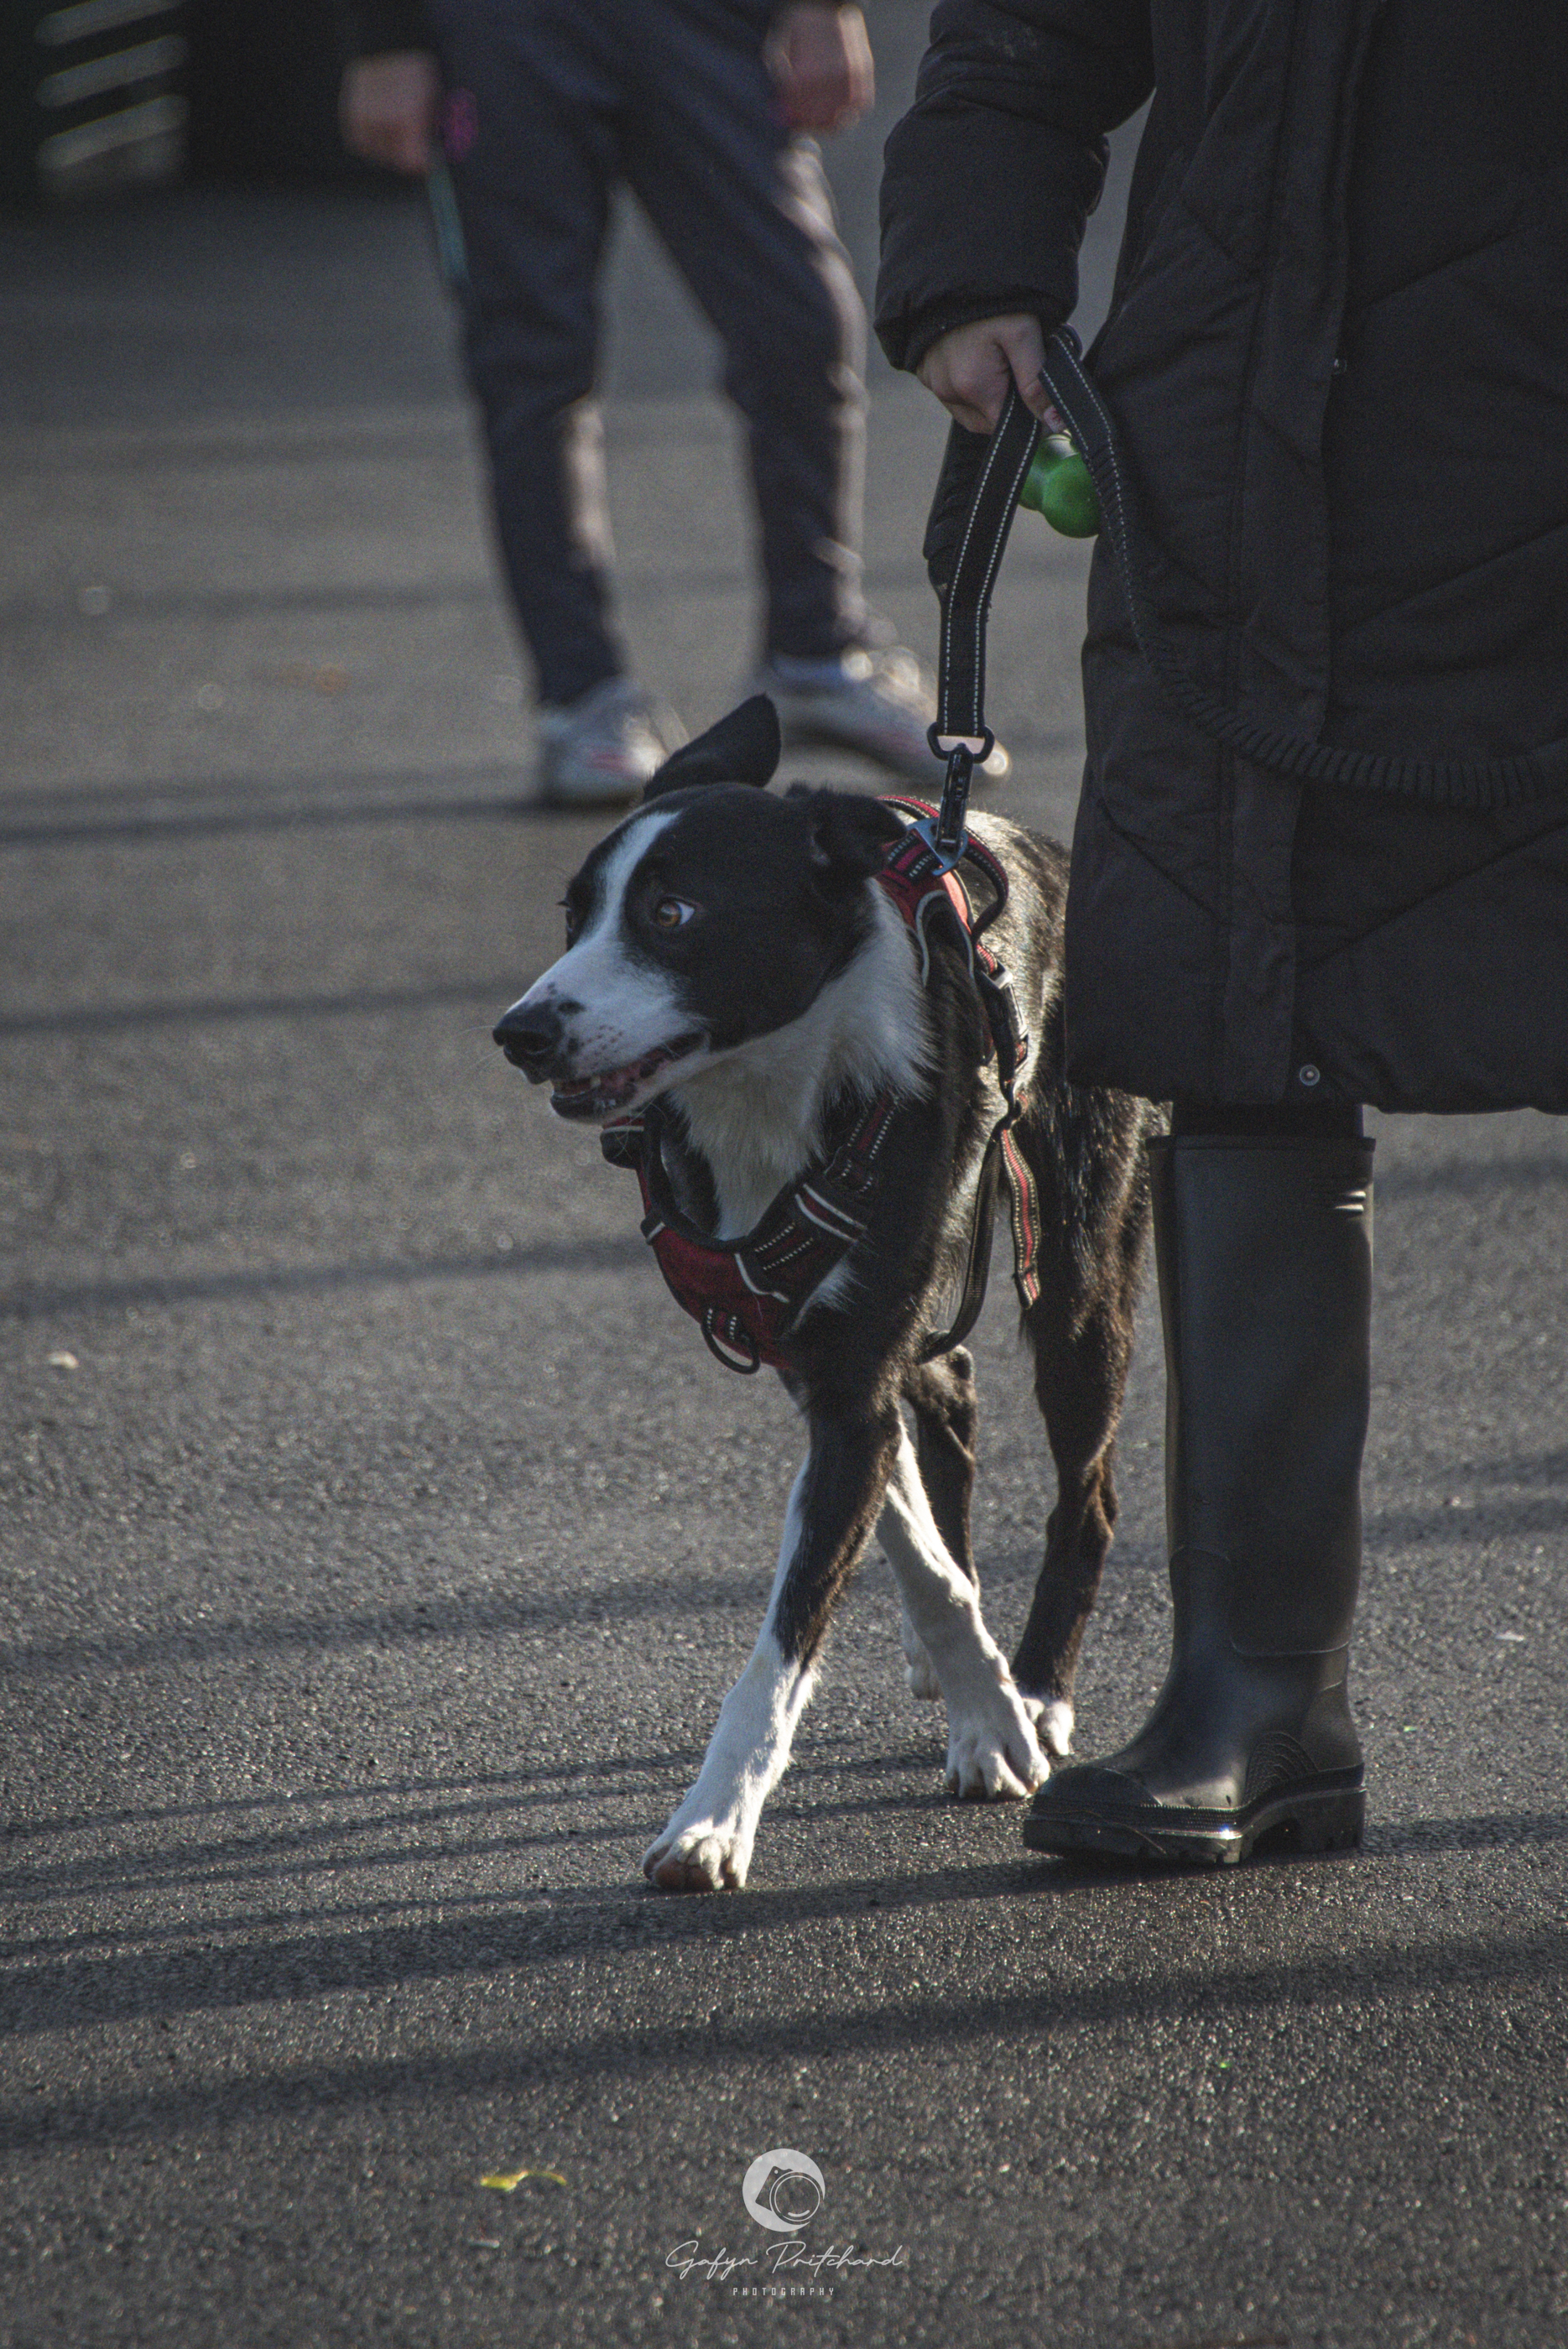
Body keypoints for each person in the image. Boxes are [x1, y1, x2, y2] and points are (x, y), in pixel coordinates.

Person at [878, 2, 1568, 1862]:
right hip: (1230, 450)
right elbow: (1023, 35)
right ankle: (1259, 1699)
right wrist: (966, 267)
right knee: (1233, 1018)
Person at [336, 0, 962, 805]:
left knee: (799, 325)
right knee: (532, 360)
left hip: (703, 20)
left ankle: (814, 652)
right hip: (501, 31)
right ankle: (581, 697)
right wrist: (384, 40)